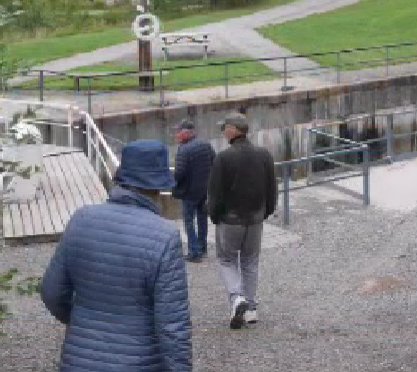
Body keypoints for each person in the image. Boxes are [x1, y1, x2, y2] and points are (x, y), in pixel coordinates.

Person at [40, 140, 192, 372]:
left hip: (78, 360)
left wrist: (82, 321)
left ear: (120, 177)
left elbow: (51, 292)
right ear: (159, 187)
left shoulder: (81, 219)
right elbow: (172, 324)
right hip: (140, 362)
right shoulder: (165, 236)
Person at [207, 113, 277, 329]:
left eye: (224, 127)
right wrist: (266, 212)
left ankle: (237, 298)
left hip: (230, 220)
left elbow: (215, 193)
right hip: (255, 218)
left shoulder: (223, 158)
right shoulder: (264, 155)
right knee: (250, 260)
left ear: (233, 130)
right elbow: (272, 188)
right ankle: (251, 308)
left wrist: (214, 215)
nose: (223, 131)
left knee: (226, 260)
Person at [172, 119, 216, 263]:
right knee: (202, 219)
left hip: (189, 192)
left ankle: (194, 251)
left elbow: (179, 173)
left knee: (189, 221)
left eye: (178, 132)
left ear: (186, 133)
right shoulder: (205, 144)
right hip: (204, 190)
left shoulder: (184, 149)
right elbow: (215, 162)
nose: (176, 135)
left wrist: (171, 183)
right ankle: (202, 247)